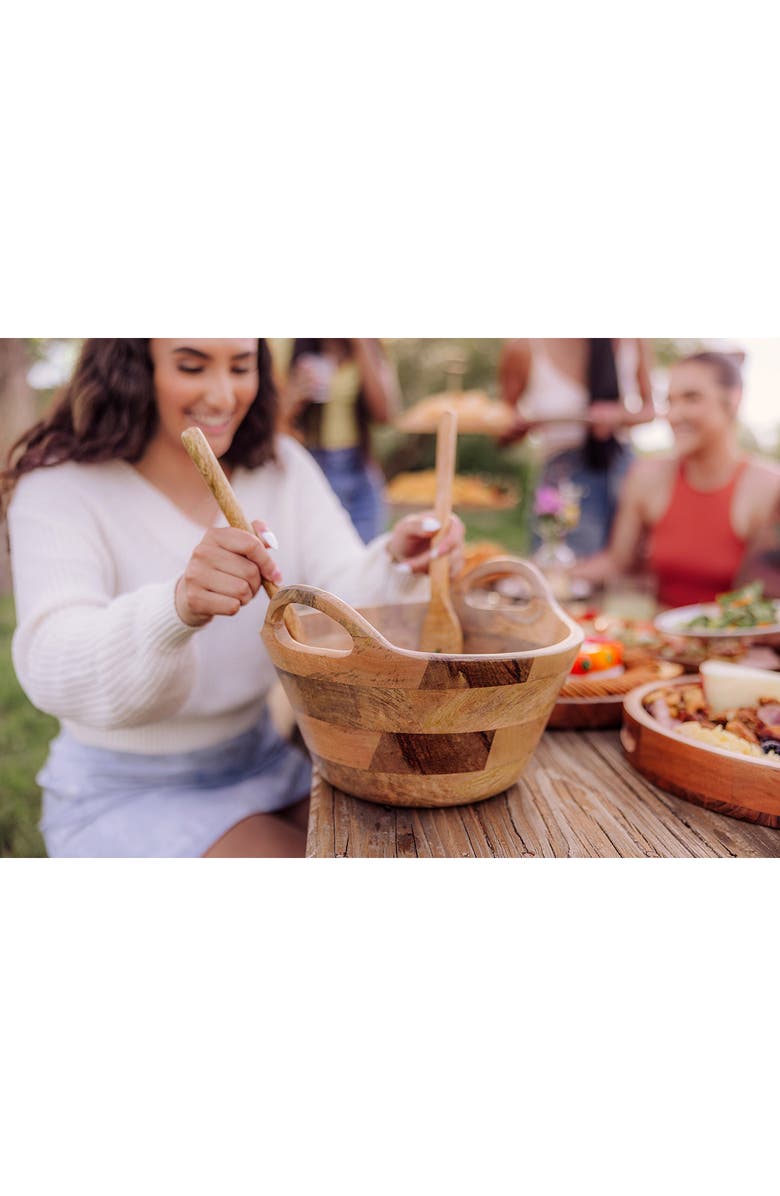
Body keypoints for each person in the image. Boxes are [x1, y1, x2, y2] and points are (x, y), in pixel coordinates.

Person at [4, 339, 464, 859]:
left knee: (411, 849)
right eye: (192, 366)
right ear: (132, 368)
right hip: (127, 789)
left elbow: (336, 596)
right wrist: (176, 608)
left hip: (266, 759)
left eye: (241, 367)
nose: (224, 396)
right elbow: (51, 660)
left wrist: (400, 563)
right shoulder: (60, 486)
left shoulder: (281, 463)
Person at [572, 351, 780, 606]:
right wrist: (547, 577)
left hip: (739, 640)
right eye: (670, 402)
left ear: (733, 400)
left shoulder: (768, 489)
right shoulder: (646, 478)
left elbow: (766, 598)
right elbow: (616, 563)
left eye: (691, 398)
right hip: (660, 640)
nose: (674, 415)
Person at [498, 338, 656, 555]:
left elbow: (650, 410)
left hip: (621, 469)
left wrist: (617, 415)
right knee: (562, 567)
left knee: (629, 567)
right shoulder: (525, 347)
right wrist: (517, 425)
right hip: (563, 478)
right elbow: (503, 424)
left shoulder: (632, 341)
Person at [282, 338, 399, 543]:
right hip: (314, 463)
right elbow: (273, 422)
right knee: (324, 551)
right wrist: (295, 394)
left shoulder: (368, 347)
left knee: (367, 551)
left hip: (359, 466)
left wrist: (362, 344)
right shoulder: (293, 348)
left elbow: (385, 414)